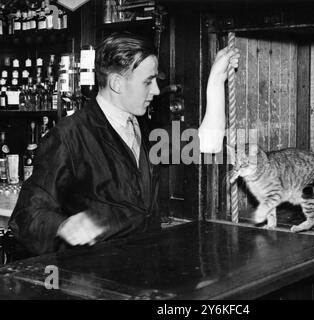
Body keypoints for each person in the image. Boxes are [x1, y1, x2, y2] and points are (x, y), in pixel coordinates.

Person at [8, 32, 239, 256]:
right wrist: (62, 225)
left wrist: (217, 78)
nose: (156, 91)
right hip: (97, 281)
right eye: (148, 82)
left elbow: (210, 142)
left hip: (145, 274)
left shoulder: (144, 128)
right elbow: (26, 216)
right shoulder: (68, 136)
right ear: (117, 83)